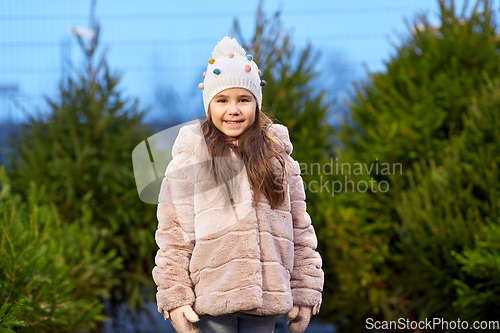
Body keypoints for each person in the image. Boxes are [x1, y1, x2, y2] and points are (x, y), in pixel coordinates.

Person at [152, 36, 324, 333]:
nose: (233, 109)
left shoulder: (278, 159)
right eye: (222, 100)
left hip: (266, 301)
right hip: (212, 301)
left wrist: (305, 291)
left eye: (243, 99)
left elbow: (300, 230)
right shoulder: (190, 161)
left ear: (256, 103)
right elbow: (173, 237)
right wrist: (175, 297)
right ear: (209, 105)